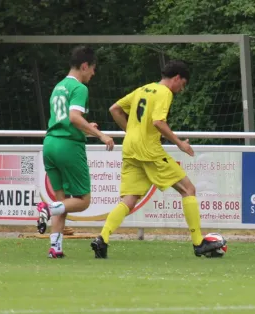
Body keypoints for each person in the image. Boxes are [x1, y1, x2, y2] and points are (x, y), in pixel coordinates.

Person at [90, 60, 224, 259]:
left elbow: (114, 109)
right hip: (149, 151)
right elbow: (158, 122)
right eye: (183, 84)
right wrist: (180, 143)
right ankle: (198, 244)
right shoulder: (165, 92)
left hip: (130, 148)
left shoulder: (143, 89)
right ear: (177, 78)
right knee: (189, 189)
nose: (182, 89)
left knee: (129, 199)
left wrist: (131, 131)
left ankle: (102, 239)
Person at [36, 46, 115, 258]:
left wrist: (87, 126)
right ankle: (47, 208)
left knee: (63, 201)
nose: (93, 74)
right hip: (68, 146)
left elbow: (68, 120)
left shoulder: (59, 86)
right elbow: (73, 118)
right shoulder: (80, 88)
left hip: (50, 144)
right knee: (83, 200)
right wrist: (101, 135)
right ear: (84, 66)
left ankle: (55, 248)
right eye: (92, 69)